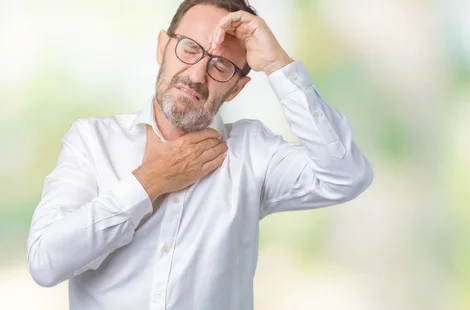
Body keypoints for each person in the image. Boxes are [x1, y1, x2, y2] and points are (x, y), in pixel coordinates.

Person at [26, 0, 373, 309]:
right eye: (189, 49)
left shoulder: (252, 153)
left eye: (221, 66)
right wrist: (150, 181)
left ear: (237, 87)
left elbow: (346, 176)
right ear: (162, 46)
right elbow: (46, 262)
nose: (196, 75)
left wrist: (278, 65)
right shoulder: (91, 140)